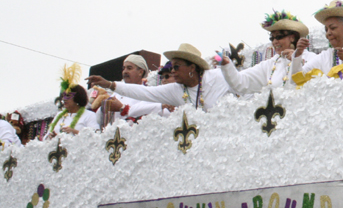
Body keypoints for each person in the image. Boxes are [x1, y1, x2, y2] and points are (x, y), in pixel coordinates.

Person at [88, 44, 233, 111]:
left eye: (176, 67)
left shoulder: (218, 77)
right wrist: (109, 84)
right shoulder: (176, 90)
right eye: (172, 67)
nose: (173, 71)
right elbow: (144, 92)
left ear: (192, 68)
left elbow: (244, 85)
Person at [220, 10, 309, 93]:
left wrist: (296, 59)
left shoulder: (309, 58)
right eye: (272, 38)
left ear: (292, 37)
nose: (274, 42)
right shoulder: (270, 65)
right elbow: (241, 82)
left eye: (278, 37)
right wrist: (226, 65)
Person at [95, 54, 162, 127]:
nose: (125, 71)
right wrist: (105, 106)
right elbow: (98, 120)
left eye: (129, 68)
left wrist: (121, 108)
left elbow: (146, 114)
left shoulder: (146, 92)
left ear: (140, 72)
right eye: (124, 68)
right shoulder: (116, 94)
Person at [47, 66, 100, 138]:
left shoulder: (89, 115)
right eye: (63, 96)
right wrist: (53, 137)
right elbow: (46, 137)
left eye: (68, 96)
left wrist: (75, 132)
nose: (64, 99)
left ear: (78, 97)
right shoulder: (59, 115)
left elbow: (96, 136)